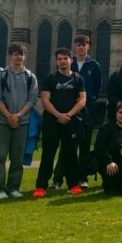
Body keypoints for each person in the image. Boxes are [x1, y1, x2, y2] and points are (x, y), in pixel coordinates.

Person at [33, 47, 87, 197]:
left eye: (65, 58)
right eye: (59, 59)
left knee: (71, 154)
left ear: (71, 60)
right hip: (52, 121)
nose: (62, 61)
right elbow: (45, 100)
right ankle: (41, 186)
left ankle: (73, 185)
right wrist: (58, 115)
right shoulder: (50, 78)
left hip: (71, 121)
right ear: (56, 62)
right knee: (48, 154)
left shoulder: (78, 78)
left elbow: (82, 100)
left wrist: (68, 115)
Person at [0, 43, 39, 199]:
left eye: (21, 54)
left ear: (24, 56)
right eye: (15, 54)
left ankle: (13, 187)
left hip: (22, 122)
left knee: (17, 157)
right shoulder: (1, 76)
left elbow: (32, 99)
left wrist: (18, 115)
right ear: (10, 56)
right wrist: (8, 115)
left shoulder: (30, 77)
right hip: (1, 122)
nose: (18, 57)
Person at [70, 34, 104, 189]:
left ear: (88, 46)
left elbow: (98, 85)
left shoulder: (94, 65)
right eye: (78, 44)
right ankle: (63, 178)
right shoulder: (70, 63)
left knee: (85, 144)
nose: (81, 47)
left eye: (84, 44)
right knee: (69, 145)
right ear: (75, 46)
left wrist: (89, 98)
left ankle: (83, 178)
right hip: (70, 108)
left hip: (88, 109)